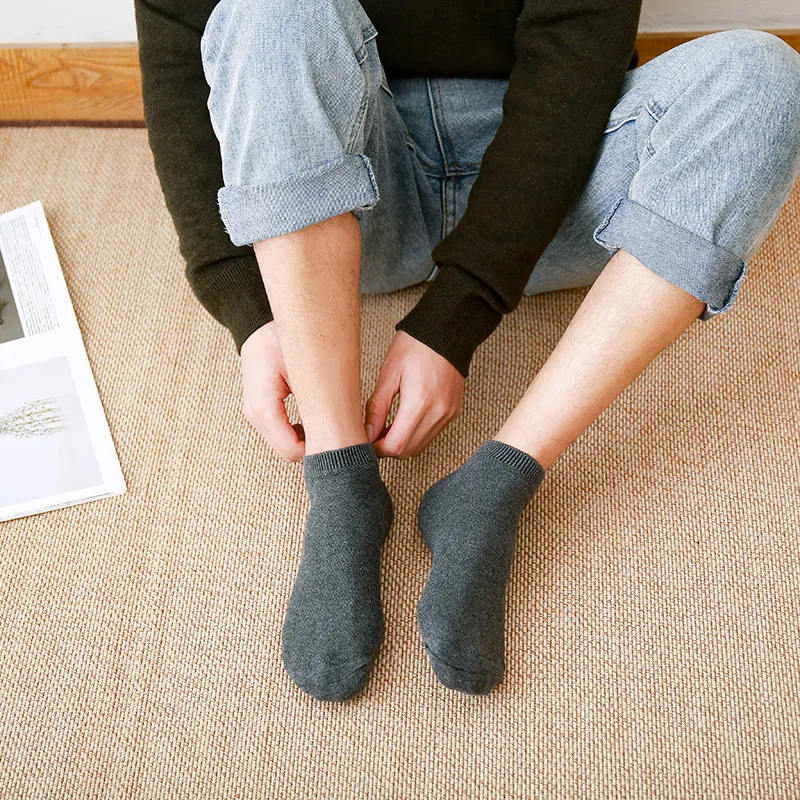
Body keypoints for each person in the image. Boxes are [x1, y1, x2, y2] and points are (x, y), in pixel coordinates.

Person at [134, 0, 800, 701]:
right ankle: (340, 480)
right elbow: (180, 49)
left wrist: (457, 317)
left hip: (560, 182)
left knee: (765, 80)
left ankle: (493, 485)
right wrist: (249, 308)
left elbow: (574, 65)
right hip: (357, 182)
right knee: (272, 9)